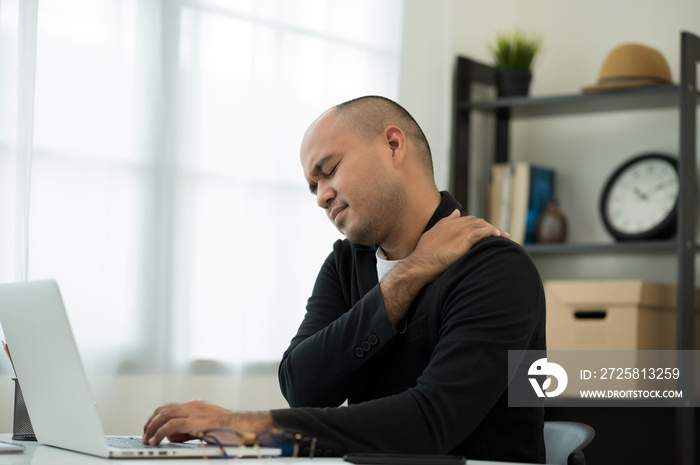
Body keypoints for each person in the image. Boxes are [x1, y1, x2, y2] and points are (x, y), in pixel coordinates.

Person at [142, 96, 546, 463]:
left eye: (329, 170)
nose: (320, 196)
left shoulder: (496, 268)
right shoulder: (345, 264)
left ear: (393, 145)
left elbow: (431, 423)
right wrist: (403, 278)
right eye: (313, 186)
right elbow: (303, 387)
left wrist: (248, 426)